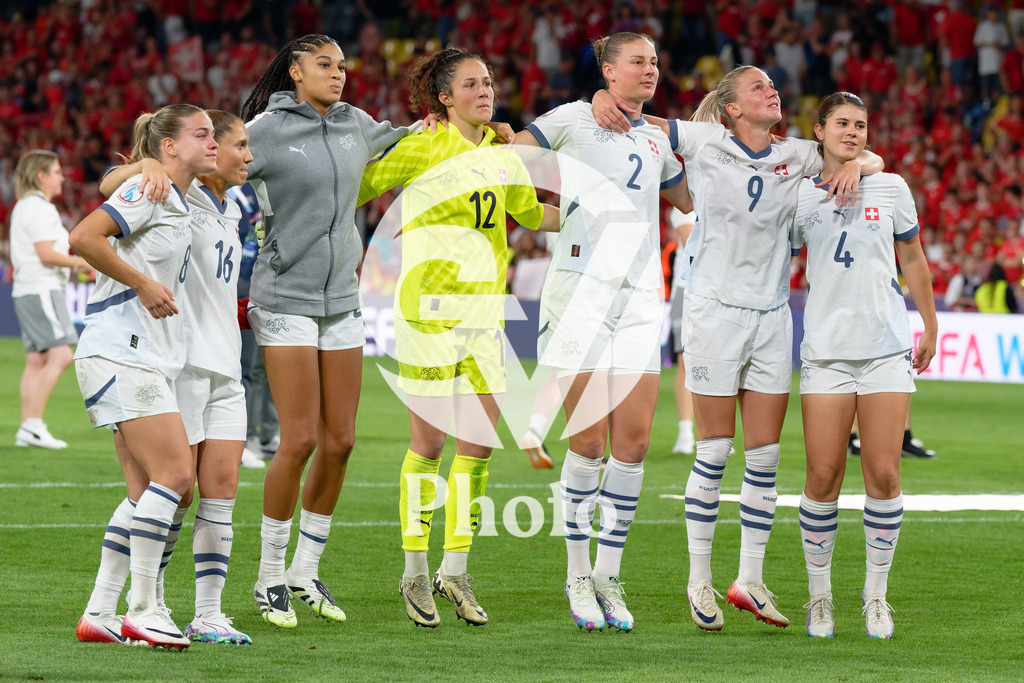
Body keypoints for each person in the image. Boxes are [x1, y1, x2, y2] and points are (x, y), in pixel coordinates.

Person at [592, 66, 882, 631]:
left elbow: (868, 157)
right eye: (758, 87)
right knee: (715, 451)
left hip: (773, 315)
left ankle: (748, 578)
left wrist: (855, 162)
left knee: (765, 458)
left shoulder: (797, 153)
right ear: (730, 108)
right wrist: (606, 95)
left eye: (774, 85)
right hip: (715, 310)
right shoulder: (701, 140)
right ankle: (699, 578)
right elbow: (631, 118)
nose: (772, 91)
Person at [358, 47, 559, 628]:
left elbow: (529, 213)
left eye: (489, 82)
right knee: (428, 445)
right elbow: (357, 187)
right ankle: (414, 570)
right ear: (444, 98)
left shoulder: (501, 152)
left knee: (476, 448)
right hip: (426, 314)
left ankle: (455, 570)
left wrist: (591, 212)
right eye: (471, 84)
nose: (486, 91)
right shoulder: (420, 144)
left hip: (486, 316)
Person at [240, 34, 421, 628]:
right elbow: (205, 160)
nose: (339, 75)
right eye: (325, 65)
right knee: (297, 440)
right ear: (295, 71)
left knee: (340, 442)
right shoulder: (265, 130)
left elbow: (416, 138)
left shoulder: (355, 124)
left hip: (343, 298)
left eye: (343, 66)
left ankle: (304, 570)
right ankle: (268, 576)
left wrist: (489, 134)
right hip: (284, 294)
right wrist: (140, 170)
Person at [515, 31, 692, 632]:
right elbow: (515, 151)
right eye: (638, 62)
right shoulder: (571, 118)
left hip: (641, 296)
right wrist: (560, 197)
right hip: (581, 292)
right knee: (587, 443)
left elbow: (687, 197)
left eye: (655, 62)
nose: (650, 70)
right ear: (608, 72)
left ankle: (609, 574)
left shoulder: (656, 135)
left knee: (634, 446)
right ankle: (576, 571)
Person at [93, 110, 259, 645]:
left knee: (217, 491)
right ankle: (146, 604)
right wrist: (139, 166)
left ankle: (197, 612)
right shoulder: (166, 191)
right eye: (230, 143)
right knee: (170, 488)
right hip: (169, 358)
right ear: (175, 146)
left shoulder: (230, 206)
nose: (241, 154)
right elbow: (106, 201)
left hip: (223, 364)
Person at [70, 104, 218, 649]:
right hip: (120, 349)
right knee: (178, 478)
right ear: (170, 147)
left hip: (142, 353)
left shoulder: (178, 194)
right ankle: (144, 608)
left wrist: (136, 166)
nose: (212, 142)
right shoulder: (148, 191)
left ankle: (100, 611)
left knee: (144, 493)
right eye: (200, 134)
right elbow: (84, 236)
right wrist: (140, 283)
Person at [792, 92, 937, 639]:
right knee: (823, 476)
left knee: (883, 473)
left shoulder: (892, 186)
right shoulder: (801, 196)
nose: (852, 132)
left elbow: (914, 258)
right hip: (826, 351)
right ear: (820, 129)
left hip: (885, 348)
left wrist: (930, 322)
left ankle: (875, 598)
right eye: (842, 124)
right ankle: (820, 598)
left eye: (861, 125)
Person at [10, 150, 92, 449]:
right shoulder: (40, 208)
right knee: (60, 355)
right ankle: (33, 425)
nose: (62, 177)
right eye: (57, 171)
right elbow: (46, 255)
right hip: (42, 288)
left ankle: (27, 427)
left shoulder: (25, 206)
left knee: (36, 360)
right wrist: (82, 264)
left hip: (27, 289)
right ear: (41, 176)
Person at [667, 207, 696, 455]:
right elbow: (692, 243)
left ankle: (714, 433)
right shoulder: (684, 205)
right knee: (685, 361)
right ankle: (685, 433)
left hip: (719, 290)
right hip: (686, 288)